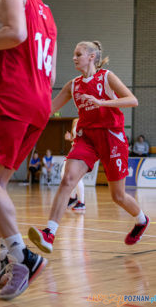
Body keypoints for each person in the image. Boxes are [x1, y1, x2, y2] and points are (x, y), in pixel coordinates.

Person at [0, 0, 57, 300]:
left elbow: (16, 34)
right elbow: (49, 72)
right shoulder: (46, 11)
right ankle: (6, 256)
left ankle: (23, 258)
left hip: (13, 100)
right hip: (40, 102)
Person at [28, 41, 150, 254]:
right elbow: (50, 108)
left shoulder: (106, 77)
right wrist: (31, 99)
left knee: (118, 196)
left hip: (112, 137)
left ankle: (141, 220)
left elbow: (132, 100)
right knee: (67, 179)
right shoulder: (72, 85)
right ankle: (49, 232)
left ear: (92, 56)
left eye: (78, 54)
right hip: (86, 138)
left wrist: (102, 103)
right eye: (74, 55)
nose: (74, 58)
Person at [64, 118, 85, 211]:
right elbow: (76, 138)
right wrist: (70, 138)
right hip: (74, 148)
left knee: (77, 177)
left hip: (81, 150)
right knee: (64, 175)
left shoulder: (86, 120)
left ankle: (81, 202)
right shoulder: (76, 120)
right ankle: (73, 197)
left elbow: (84, 138)